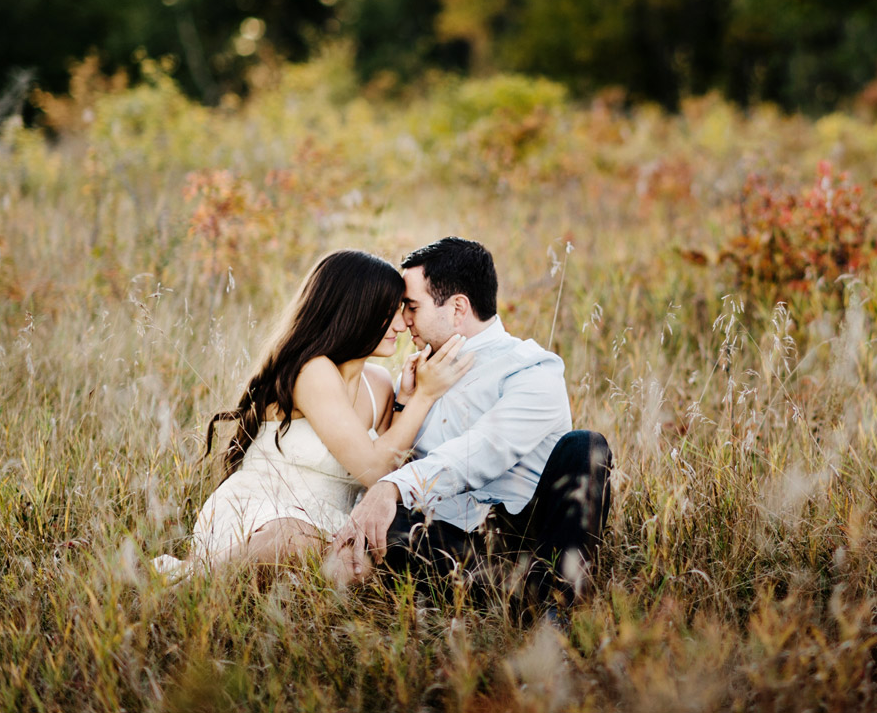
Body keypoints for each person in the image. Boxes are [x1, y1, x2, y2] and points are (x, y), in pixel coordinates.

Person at [329, 237, 613, 612]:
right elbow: (390, 463)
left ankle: (553, 602)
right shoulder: (414, 378)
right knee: (389, 525)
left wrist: (392, 487)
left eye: (412, 306)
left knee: (586, 446)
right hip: (451, 547)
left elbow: (486, 448)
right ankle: (510, 596)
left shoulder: (533, 368)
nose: (403, 320)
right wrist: (405, 402)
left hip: (528, 536)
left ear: (458, 307)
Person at [153, 249, 472, 577]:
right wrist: (426, 395)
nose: (401, 324)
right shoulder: (312, 371)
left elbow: (392, 469)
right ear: (356, 311)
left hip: (329, 524)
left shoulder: (379, 383)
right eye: (387, 311)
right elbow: (374, 470)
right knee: (292, 541)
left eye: (402, 310)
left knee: (360, 567)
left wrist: (404, 398)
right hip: (262, 515)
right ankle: (191, 579)